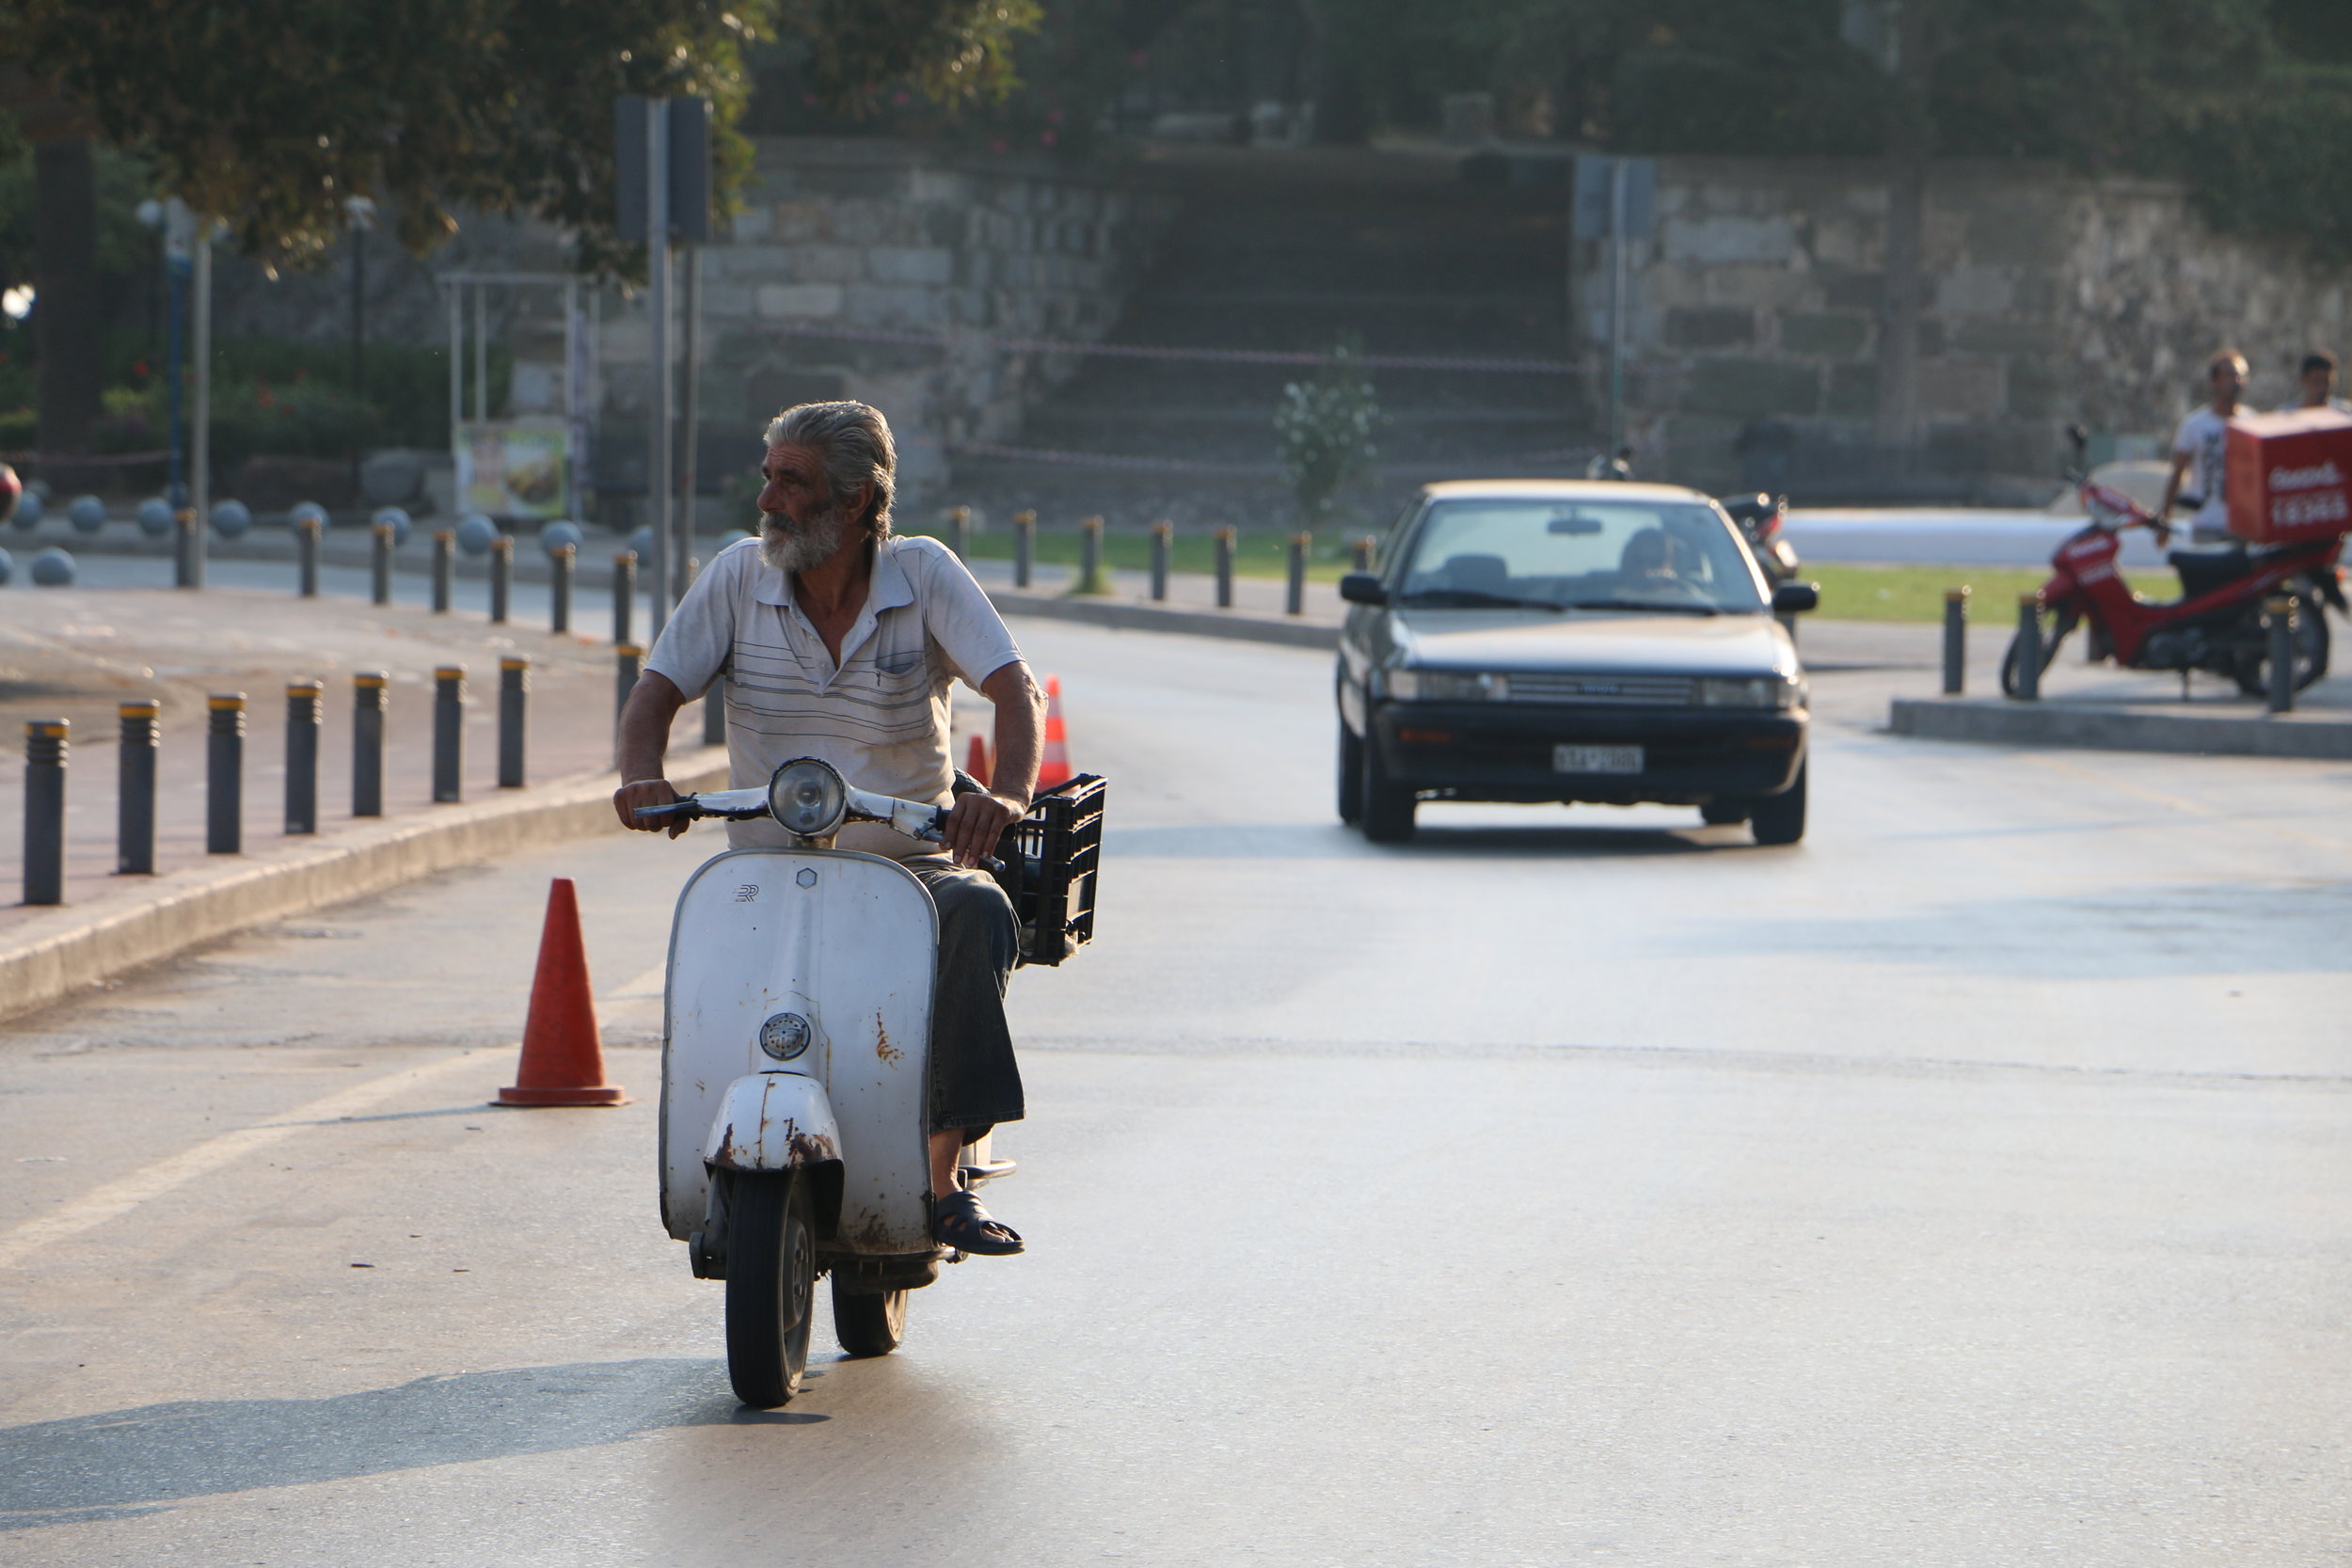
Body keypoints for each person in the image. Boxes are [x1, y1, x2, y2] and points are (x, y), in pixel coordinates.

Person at [612, 400, 1044, 1258]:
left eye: (791, 482)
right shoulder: (737, 576)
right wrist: (640, 775)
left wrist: (1007, 796)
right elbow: (655, 691)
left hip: (910, 864)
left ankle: (942, 1178)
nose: (767, 499)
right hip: (765, 869)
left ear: (853, 503)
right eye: (768, 477)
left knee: (981, 910)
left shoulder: (923, 574)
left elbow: (1014, 689)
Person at [2158, 349, 2246, 546]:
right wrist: (2165, 516)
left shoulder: (2252, 422)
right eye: (2229, 375)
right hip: (2207, 523)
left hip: (2243, 526)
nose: (2236, 381)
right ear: (2214, 382)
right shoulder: (2195, 425)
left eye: (2240, 375)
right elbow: (2177, 472)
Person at [2284, 350, 2352, 414]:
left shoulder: (2345, 413)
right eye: (2316, 382)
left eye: (2326, 381)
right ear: (2303, 380)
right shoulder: (2286, 415)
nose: (2322, 387)